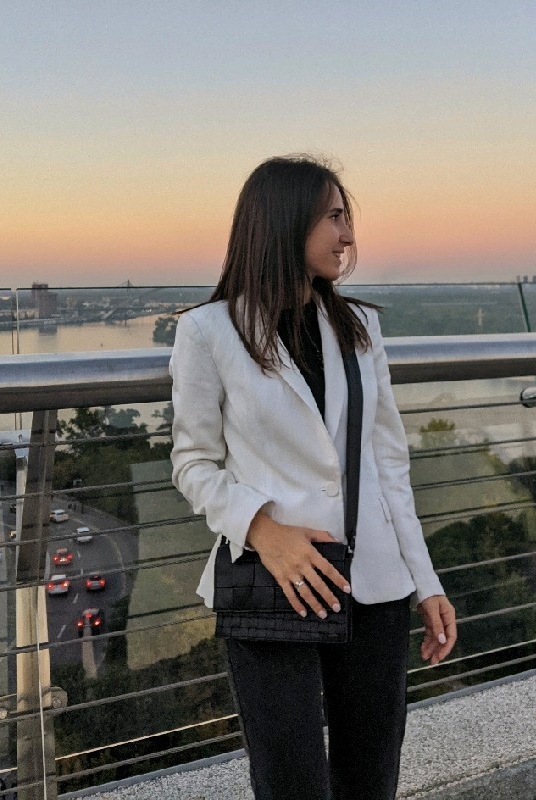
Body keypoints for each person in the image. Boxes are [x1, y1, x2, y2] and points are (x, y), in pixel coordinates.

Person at [169, 154, 456, 800]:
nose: (348, 236)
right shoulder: (208, 331)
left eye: (346, 217)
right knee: (291, 781)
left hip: (373, 583)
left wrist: (425, 582)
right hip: (274, 583)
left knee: (370, 776)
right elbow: (193, 463)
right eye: (333, 217)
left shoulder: (360, 327)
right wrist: (262, 530)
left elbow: (388, 466)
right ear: (284, 222)